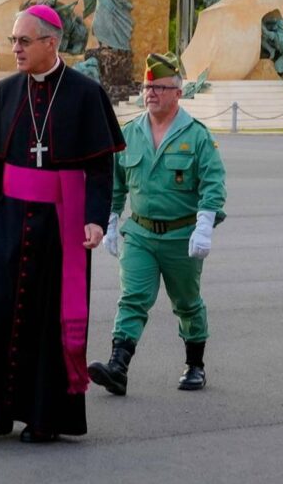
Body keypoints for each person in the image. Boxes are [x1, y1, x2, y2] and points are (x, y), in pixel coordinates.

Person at [0, 4, 124, 444]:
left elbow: (102, 168)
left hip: (61, 222)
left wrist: (95, 219)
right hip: (8, 217)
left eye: (23, 41)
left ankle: (44, 416)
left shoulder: (86, 94)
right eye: (13, 40)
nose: (16, 49)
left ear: (51, 42)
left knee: (48, 317)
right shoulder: (5, 91)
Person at [88, 53, 226, 395]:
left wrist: (205, 223)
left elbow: (213, 182)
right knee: (132, 298)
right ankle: (118, 365)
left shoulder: (196, 136)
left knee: (187, 302)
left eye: (159, 88)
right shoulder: (130, 133)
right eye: (147, 87)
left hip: (181, 234)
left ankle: (195, 364)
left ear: (178, 93)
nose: (150, 93)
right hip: (141, 233)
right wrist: (110, 218)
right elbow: (117, 181)